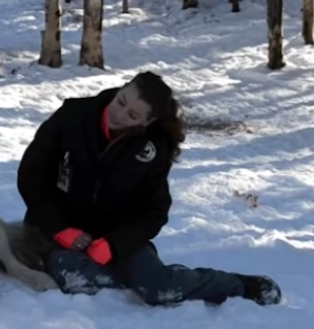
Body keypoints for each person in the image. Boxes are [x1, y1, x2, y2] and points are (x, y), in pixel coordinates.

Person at [15, 71, 282, 307]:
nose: (119, 114)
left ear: (146, 122)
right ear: (121, 89)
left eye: (132, 115)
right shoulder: (73, 116)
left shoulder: (153, 149)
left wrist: (115, 245)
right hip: (57, 233)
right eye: (121, 101)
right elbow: (30, 177)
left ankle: (240, 285)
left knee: (158, 288)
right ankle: (137, 278)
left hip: (116, 237)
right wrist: (59, 229)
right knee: (78, 279)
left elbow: (154, 211)